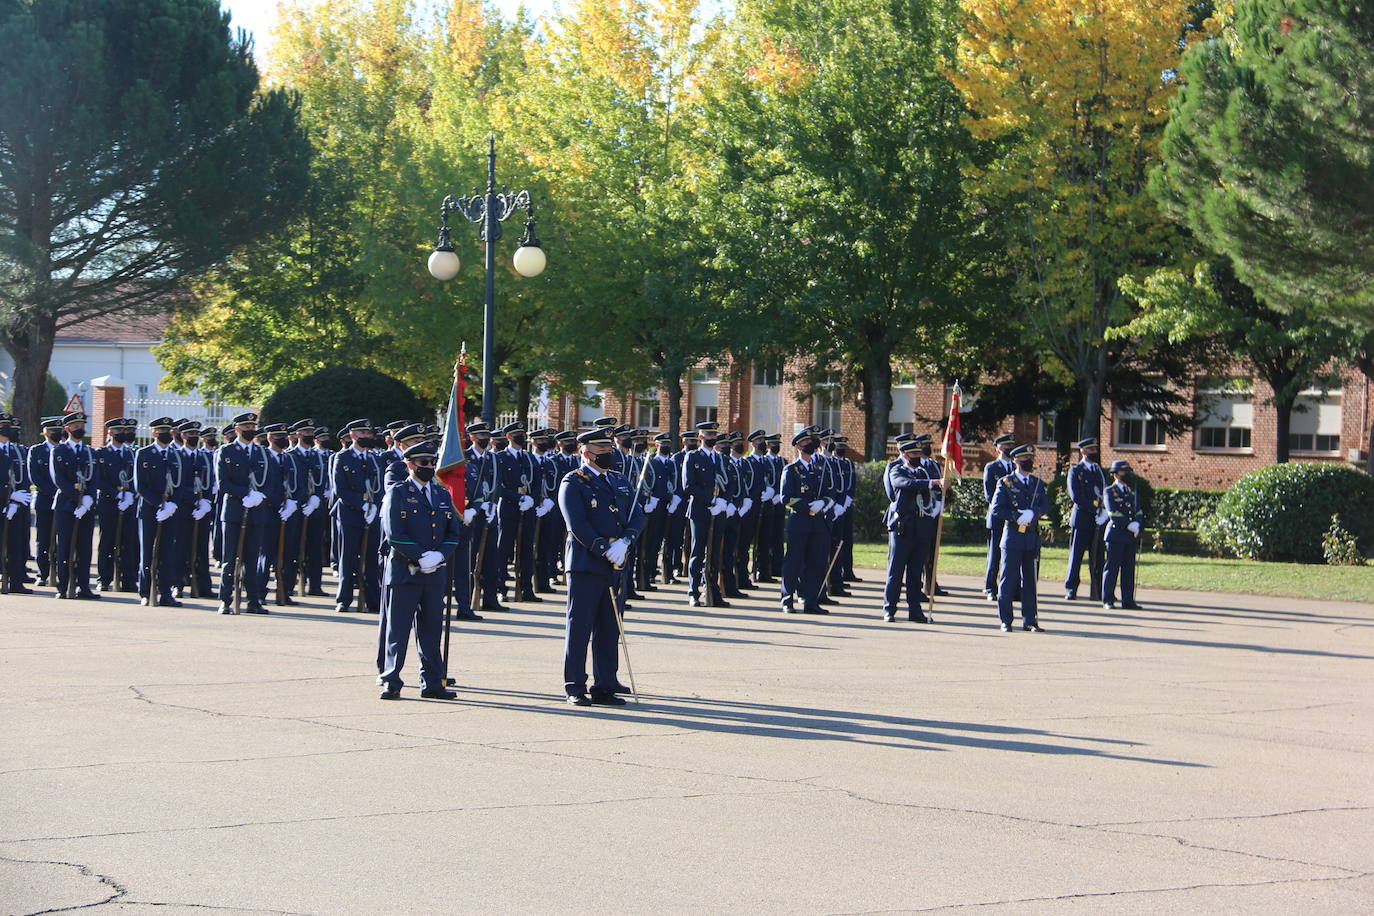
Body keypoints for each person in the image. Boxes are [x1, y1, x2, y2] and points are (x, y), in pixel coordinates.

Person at [558, 427, 645, 707]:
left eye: (609, 450)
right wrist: (604, 549)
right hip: (587, 564)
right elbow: (577, 524)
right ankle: (575, 685)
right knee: (580, 627)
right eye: (601, 451)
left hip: (616, 563)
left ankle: (605, 683)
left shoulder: (618, 481)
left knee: (610, 627)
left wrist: (626, 542)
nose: (607, 455)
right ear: (586, 452)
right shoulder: (573, 482)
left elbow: (637, 514)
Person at [376, 441, 464, 701]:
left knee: (431, 629)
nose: (428, 467)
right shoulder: (398, 492)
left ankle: (433, 682)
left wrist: (439, 555)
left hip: (434, 572)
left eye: (431, 463)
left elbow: (453, 532)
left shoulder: (440, 494)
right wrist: (419, 556)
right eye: (422, 463)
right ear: (409, 464)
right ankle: (391, 679)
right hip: (405, 571)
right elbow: (394, 534)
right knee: (398, 630)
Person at [882, 437, 943, 622]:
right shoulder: (896, 469)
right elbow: (904, 484)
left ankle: (915, 610)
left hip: (922, 526)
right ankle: (889, 609)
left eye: (919, 453)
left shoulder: (924, 471)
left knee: (916, 572)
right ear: (904, 454)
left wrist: (938, 491)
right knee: (896, 570)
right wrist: (932, 483)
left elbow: (932, 494)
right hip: (903, 526)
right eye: (913, 454)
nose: (917, 456)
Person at [990, 444, 1048, 632]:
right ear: (1015, 460)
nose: (1028, 461)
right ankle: (1006, 620)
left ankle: (1030, 620)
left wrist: (1033, 513)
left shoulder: (1037, 483)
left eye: (1030, 458)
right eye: (1024, 458)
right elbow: (997, 509)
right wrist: (1016, 515)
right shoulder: (1006, 482)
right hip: (1013, 536)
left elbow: (1045, 506)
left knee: (1030, 581)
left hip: (1030, 538)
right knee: (1008, 579)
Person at [331, 419, 383, 613]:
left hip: (371, 514)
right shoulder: (342, 458)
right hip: (350, 513)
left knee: (371, 558)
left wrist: (374, 507)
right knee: (348, 556)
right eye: (362, 433)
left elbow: (381, 488)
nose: (366, 437)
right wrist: (362, 505)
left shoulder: (374, 459)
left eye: (368, 433)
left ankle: (373, 599)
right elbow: (341, 489)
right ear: (352, 435)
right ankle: (344, 598)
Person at [778, 427, 832, 614]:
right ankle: (787, 599)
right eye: (808, 442)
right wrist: (807, 506)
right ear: (799, 446)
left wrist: (823, 503)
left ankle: (811, 601)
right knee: (793, 563)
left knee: (815, 562)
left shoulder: (819, 468)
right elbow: (786, 498)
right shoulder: (791, 470)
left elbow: (828, 493)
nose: (812, 445)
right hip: (799, 522)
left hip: (817, 523)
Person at [135, 417, 185, 607]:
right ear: (154, 433)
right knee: (147, 552)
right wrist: (159, 505)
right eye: (162, 430)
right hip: (149, 511)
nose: (167, 434)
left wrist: (172, 505)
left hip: (170, 511)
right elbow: (140, 486)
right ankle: (146, 592)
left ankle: (165, 592)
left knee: (167, 553)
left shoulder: (176, 455)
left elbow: (181, 483)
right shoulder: (144, 454)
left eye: (169, 430)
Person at [50, 411, 99, 600]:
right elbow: (59, 480)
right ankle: (63, 586)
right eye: (76, 426)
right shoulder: (59, 451)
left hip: (85, 507)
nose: (80, 428)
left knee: (84, 548)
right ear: (67, 428)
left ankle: (83, 586)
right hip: (65, 505)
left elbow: (95, 478)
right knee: (64, 547)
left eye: (81, 425)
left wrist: (87, 500)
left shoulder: (89, 452)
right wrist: (75, 499)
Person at [495, 421, 544, 603]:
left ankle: (526, 588)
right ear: (508, 437)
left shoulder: (530, 458)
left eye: (523, 434)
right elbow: (498, 486)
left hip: (528, 508)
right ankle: (501, 588)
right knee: (504, 548)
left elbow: (538, 482)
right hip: (508, 507)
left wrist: (532, 499)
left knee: (526, 549)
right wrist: (518, 499)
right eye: (517, 434)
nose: (522, 437)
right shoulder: (500, 458)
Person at [682, 421, 727, 607]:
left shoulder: (721, 458)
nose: (712, 438)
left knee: (715, 552)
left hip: (718, 511)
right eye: (708, 435)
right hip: (700, 509)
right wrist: (712, 500)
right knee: (698, 551)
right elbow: (688, 486)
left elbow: (730, 482)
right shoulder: (693, 457)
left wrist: (725, 501)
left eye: (714, 435)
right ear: (700, 437)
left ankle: (713, 590)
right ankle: (694, 592)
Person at [1064, 437, 1109, 601]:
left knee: (1098, 557)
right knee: (1076, 556)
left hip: (1098, 521)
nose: (1094, 452)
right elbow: (1076, 496)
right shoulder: (1075, 471)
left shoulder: (1100, 472)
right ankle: (1071, 588)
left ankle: (1098, 590)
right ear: (1083, 451)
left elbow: (1106, 493)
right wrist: (1095, 509)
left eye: (1095, 449)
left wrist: (1104, 512)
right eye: (1091, 450)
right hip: (1082, 519)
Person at [1102, 459, 1145, 611]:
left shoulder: (1132, 492)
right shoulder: (1109, 491)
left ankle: (1128, 600)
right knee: (1112, 568)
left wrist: (1138, 524)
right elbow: (1113, 512)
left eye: (1127, 471)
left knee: (1129, 569)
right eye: (1122, 471)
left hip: (1130, 536)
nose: (1125, 474)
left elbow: (1138, 511)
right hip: (1116, 535)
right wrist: (1128, 524)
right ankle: (1108, 599)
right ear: (1115, 474)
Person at [0, 414, 35, 593]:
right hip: (3, 503)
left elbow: (23, 477)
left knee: (16, 544)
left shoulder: (17, 451)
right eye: (3, 426)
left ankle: (15, 581)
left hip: (17, 505)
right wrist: (9, 498)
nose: (7, 430)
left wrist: (19, 498)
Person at [29, 417, 63, 586]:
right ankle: (43, 573)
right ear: (45, 432)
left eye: (59, 431)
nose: (56, 434)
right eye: (53, 431)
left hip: (65, 501)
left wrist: (64, 493)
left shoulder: (65, 450)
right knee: (43, 538)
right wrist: (54, 493)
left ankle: (60, 572)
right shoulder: (36, 451)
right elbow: (35, 477)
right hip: (45, 501)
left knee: (62, 539)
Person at [981, 433, 1015, 601]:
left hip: (1014, 519)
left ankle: (1010, 588)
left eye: (1011, 445)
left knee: (1012, 555)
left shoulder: (1016, 468)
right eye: (1006, 446)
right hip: (997, 517)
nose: (1010, 448)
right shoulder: (992, 468)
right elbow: (989, 495)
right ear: (999, 448)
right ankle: (990, 587)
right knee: (995, 554)